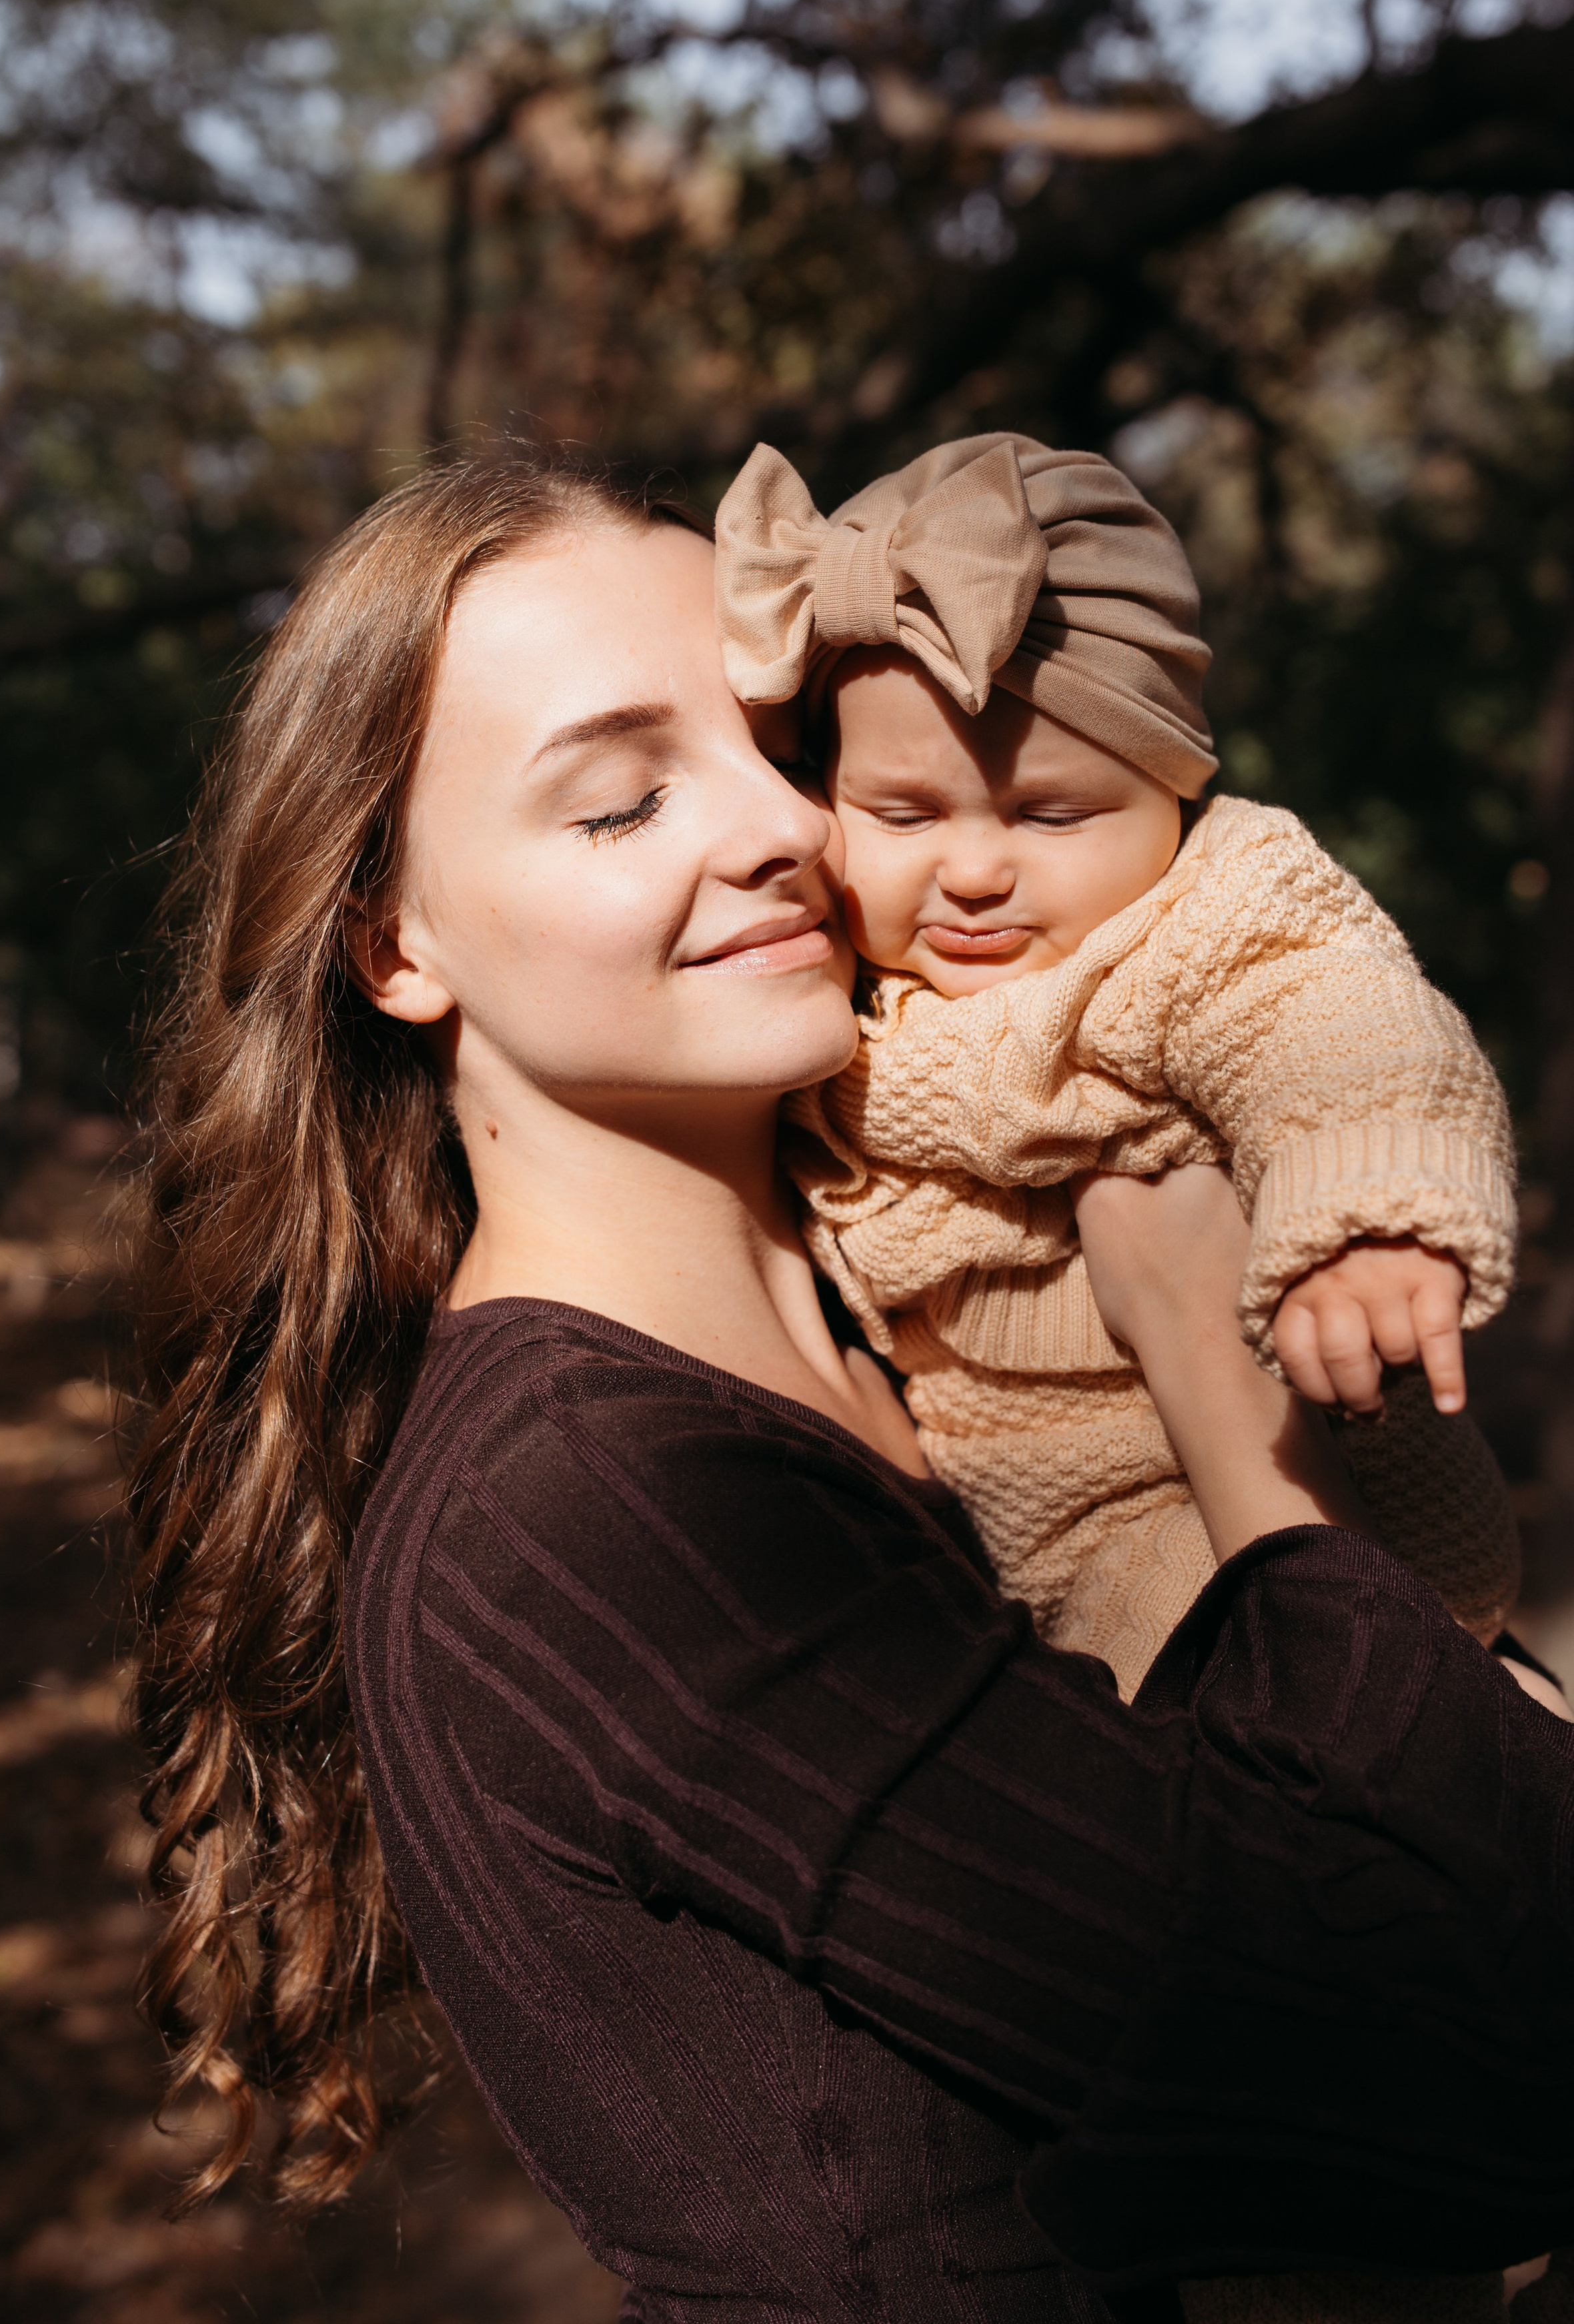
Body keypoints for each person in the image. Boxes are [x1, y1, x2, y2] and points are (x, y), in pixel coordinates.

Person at [129, 449, 1574, 2324]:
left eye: (785, 749)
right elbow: (1472, 2079)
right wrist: (1231, 1405)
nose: (786, 834)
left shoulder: (885, 1301)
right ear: (394, 943)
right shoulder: (587, 1514)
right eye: (623, 799)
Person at [713, 435, 1521, 1702]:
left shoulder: (1199, 913)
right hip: (1057, 1509)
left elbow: (1337, 1021)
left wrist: (1358, 1223)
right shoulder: (819, 985)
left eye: (1050, 814)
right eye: (904, 816)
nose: (973, 871)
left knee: (1289, 1688)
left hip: (1303, 1420)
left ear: (1175, 792)